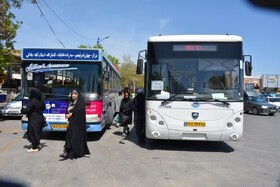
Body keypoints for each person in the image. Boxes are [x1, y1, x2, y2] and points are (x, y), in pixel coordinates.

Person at [60, 89, 90, 160]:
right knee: (68, 137)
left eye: (75, 94)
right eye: (72, 94)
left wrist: (72, 114)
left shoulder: (80, 103)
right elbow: (67, 110)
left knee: (75, 137)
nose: (73, 95)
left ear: (78, 95)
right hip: (70, 123)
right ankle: (67, 150)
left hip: (77, 124)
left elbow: (80, 111)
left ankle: (75, 152)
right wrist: (66, 115)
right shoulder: (70, 102)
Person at [21, 88, 46, 152]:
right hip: (40, 117)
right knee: (38, 132)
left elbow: (27, 110)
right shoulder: (41, 100)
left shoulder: (32, 100)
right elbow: (44, 107)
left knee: (32, 132)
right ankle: (37, 144)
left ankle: (35, 147)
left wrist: (22, 110)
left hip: (33, 118)